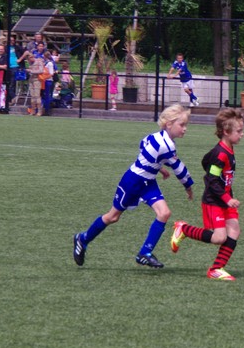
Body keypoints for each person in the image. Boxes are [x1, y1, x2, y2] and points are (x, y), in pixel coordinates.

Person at [74, 104, 195, 269]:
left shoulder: (155, 136)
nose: (185, 128)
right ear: (169, 124)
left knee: (164, 213)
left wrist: (159, 168)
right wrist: (188, 186)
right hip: (133, 181)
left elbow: (142, 145)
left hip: (148, 182)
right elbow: (179, 168)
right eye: (182, 125)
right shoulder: (167, 146)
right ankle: (82, 239)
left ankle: (144, 253)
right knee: (112, 217)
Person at [169, 108, 244, 281]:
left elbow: (205, 160)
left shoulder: (227, 149)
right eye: (239, 131)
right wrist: (227, 198)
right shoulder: (220, 154)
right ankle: (183, 229)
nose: (242, 134)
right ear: (226, 132)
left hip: (225, 199)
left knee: (234, 230)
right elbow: (211, 180)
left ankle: (216, 269)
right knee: (219, 238)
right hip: (214, 200)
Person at [40, 51, 56, 116]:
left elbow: (51, 73)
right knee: (43, 95)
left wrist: (44, 77)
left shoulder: (50, 63)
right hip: (44, 81)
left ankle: (47, 110)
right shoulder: (45, 63)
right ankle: (42, 109)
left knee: (47, 96)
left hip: (48, 81)